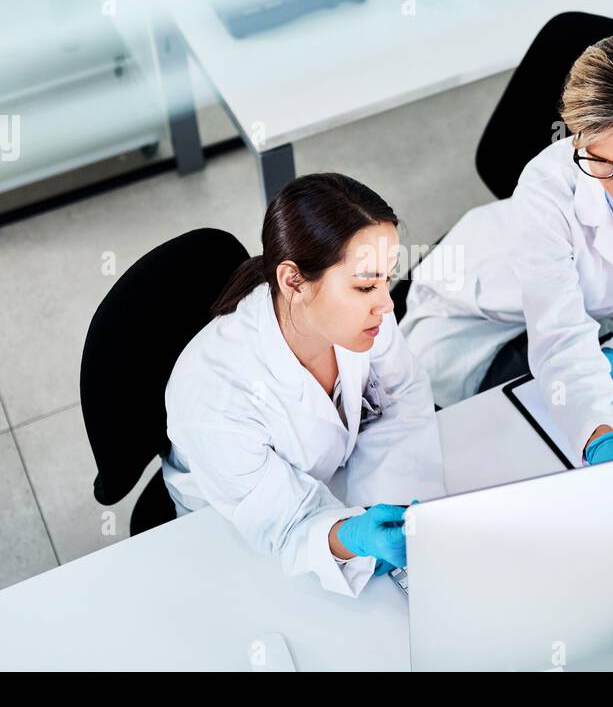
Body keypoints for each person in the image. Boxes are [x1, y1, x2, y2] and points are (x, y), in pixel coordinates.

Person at [401, 30, 613, 466]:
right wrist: (598, 436)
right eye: (601, 160)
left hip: (589, 308)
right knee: (513, 442)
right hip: (480, 309)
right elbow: (559, 331)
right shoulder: (546, 187)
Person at [163, 173, 444, 597]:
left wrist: (391, 507)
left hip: (338, 482)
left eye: (386, 280)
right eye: (366, 285)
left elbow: (402, 398)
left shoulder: (361, 319)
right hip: (234, 532)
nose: (386, 304)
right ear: (293, 280)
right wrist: (349, 538)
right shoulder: (214, 395)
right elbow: (284, 524)